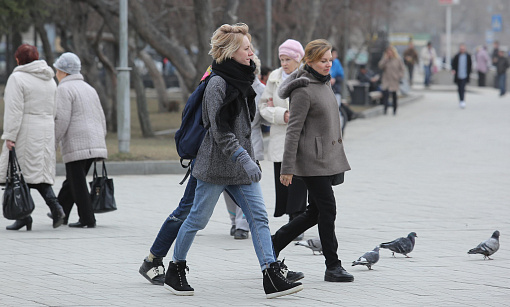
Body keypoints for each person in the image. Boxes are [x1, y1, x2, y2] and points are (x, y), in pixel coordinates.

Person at [164, 23, 303, 298]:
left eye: (250, 47)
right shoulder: (217, 83)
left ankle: (270, 273)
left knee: (259, 218)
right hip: (215, 166)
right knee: (196, 220)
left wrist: (250, 159)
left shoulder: (244, 80)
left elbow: (247, 125)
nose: (251, 52)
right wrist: (244, 158)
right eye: (246, 48)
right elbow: (219, 130)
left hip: (242, 167)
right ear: (230, 51)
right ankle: (175, 267)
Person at [271, 38, 354, 283]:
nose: (328, 64)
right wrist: (287, 168)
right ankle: (333, 265)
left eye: (330, 60)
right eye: (323, 61)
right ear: (309, 61)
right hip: (311, 161)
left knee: (314, 212)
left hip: (326, 158)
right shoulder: (304, 89)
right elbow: (293, 130)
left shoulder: (324, 82)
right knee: (328, 209)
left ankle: (273, 244)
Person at [0, 44, 65, 231]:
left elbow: (14, 111)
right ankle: (56, 209)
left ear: (18, 59)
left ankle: (24, 215)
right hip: (45, 130)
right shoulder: (50, 79)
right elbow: (54, 110)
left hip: (25, 131)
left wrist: (10, 136)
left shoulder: (17, 78)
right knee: (39, 175)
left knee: (20, 174)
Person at [259, 39, 307, 239]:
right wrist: (282, 115)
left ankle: (297, 219)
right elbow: (264, 107)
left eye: (288, 59)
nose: (284, 63)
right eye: (282, 59)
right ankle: (290, 217)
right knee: (283, 181)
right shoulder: (274, 77)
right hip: (280, 137)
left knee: (299, 180)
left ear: (298, 59)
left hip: (301, 137)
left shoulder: (306, 75)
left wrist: (294, 115)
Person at [53, 52, 108, 228]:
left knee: (77, 184)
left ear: (63, 71)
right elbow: (101, 116)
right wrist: (101, 139)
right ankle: (59, 211)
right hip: (94, 141)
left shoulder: (64, 89)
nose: (56, 72)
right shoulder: (89, 88)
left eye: (57, 69)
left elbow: (61, 119)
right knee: (73, 181)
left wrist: (53, 141)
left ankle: (87, 219)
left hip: (77, 143)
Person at [224, 53, 266, 240]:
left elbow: (264, 117)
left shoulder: (261, 90)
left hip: (252, 143)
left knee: (246, 183)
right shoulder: (229, 85)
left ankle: (243, 224)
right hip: (230, 144)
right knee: (227, 186)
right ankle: (234, 221)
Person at [378, 45, 405, 115]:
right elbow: (380, 66)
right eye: (388, 52)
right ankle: (385, 109)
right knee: (385, 95)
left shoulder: (397, 59)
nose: (389, 53)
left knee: (394, 95)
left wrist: (399, 76)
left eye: (390, 52)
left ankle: (394, 110)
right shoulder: (385, 59)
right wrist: (385, 60)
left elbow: (402, 69)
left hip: (394, 79)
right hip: (386, 79)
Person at [451, 43, 472, 109]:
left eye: (463, 49)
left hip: (465, 75)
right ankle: (460, 100)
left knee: (463, 88)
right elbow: (453, 64)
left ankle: (462, 100)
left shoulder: (468, 56)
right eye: (461, 49)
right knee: (459, 88)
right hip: (458, 75)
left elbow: (470, 65)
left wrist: (469, 73)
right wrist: (453, 70)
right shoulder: (457, 56)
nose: (462, 50)